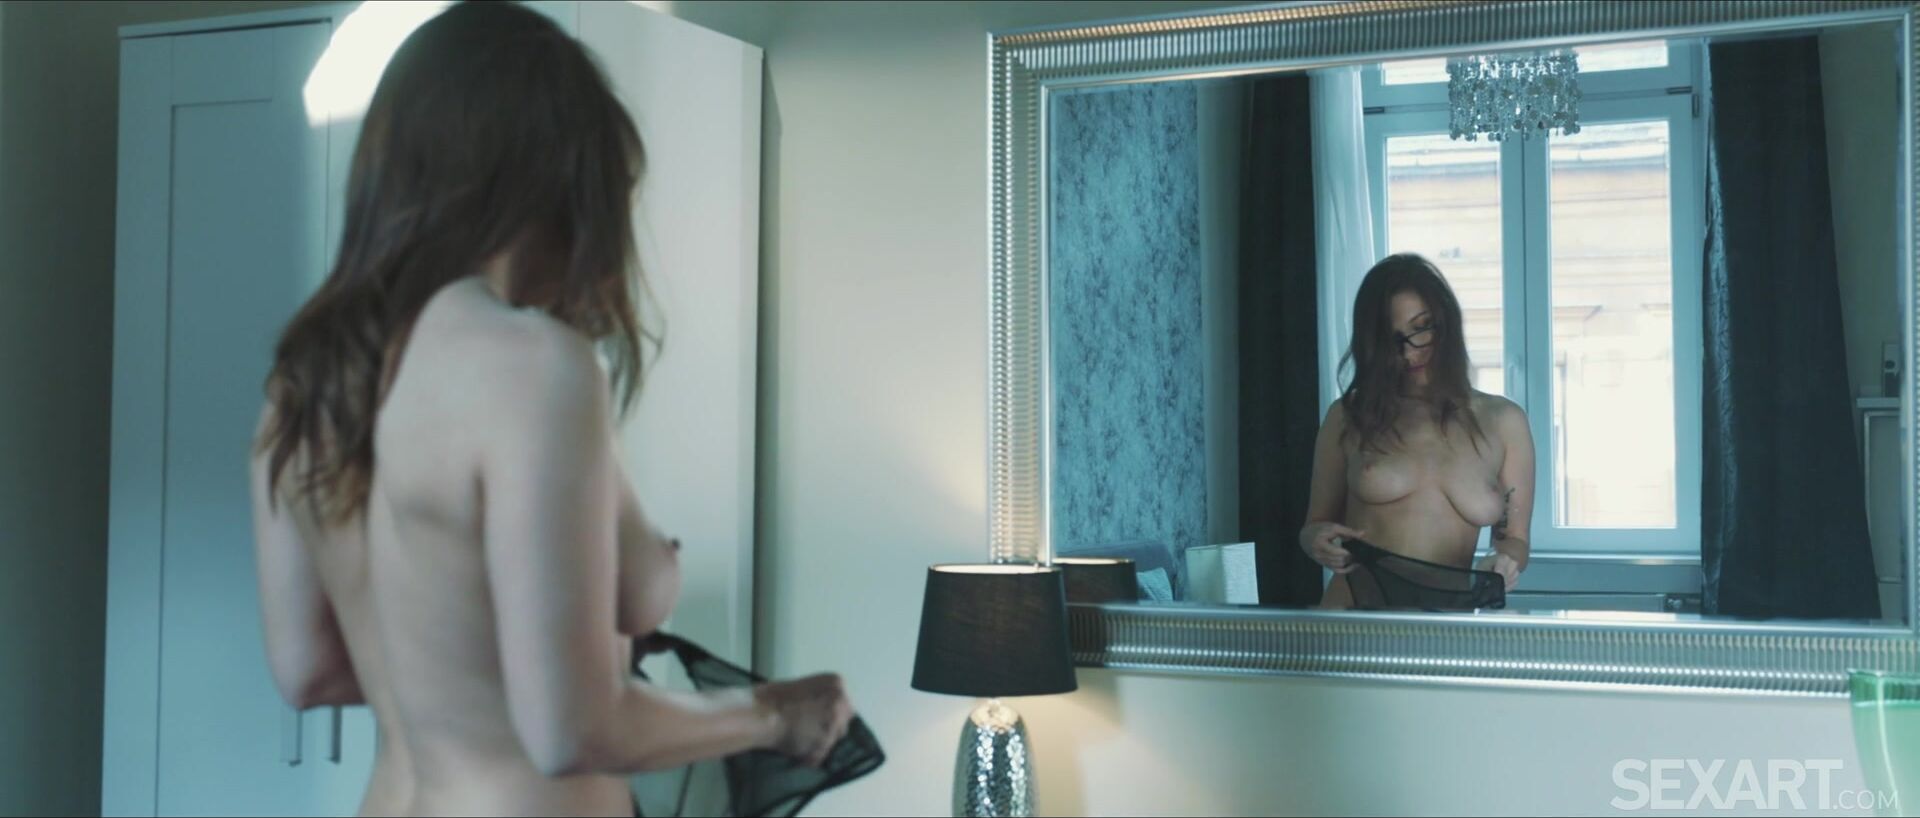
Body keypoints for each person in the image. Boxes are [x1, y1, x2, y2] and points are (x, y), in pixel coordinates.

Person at [248, 4, 851, 815]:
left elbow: (308, 670)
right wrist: (773, 715)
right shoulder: (533, 363)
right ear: (557, 179)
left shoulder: (305, 385)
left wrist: (506, 664)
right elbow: (571, 729)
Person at [1297, 253, 1536, 610]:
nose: (1409, 353)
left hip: (1446, 629)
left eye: (1421, 328)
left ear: (1446, 322)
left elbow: (1514, 539)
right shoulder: (1349, 415)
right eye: (1391, 339)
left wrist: (1504, 563)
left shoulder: (1504, 421)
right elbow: (1313, 525)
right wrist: (1316, 540)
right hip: (1352, 619)